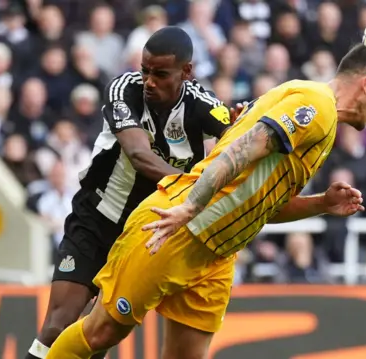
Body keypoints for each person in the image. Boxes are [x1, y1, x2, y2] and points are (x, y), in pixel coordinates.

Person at [46, 43, 366, 359]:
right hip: (180, 227)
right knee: (102, 331)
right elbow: (241, 151)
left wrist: (320, 204)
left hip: (217, 252)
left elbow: (261, 206)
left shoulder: (324, 126)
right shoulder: (316, 105)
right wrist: (189, 207)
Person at [24, 26, 236, 359]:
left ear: (186, 71)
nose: (149, 80)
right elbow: (139, 156)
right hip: (95, 220)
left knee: (98, 339)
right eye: (145, 70)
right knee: (58, 325)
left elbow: (243, 142)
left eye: (160, 73)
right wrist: (194, 186)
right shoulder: (125, 89)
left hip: (143, 235)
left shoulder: (205, 106)